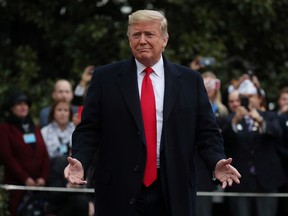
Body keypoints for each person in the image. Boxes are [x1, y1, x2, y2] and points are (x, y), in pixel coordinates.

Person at [64, 9, 241, 216]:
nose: (142, 41)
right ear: (129, 40)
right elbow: (89, 129)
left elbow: (206, 132)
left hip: (173, 188)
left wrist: (216, 160)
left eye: (149, 34)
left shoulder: (190, 81)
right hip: (118, 189)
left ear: (164, 40)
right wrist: (80, 159)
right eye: (136, 35)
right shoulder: (106, 78)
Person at [221, 80, 286, 216]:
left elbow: (277, 133)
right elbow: (221, 141)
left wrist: (260, 120)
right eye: (243, 97)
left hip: (266, 181)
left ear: (258, 98)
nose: (247, 100)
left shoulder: (270, 116)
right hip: (239, 182)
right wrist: (235, 121)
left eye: (250, 96)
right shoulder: (230, 119)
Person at [0, 91, 50, 216]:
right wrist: (25, 178)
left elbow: (44, 154)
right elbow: (7, 157)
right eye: (19, 104)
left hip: (39, 186)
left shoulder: (35, 128)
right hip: (17, 187)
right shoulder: (5, 128)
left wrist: (43, 177)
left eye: (25, 104)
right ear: (11, 108)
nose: (23, 107)